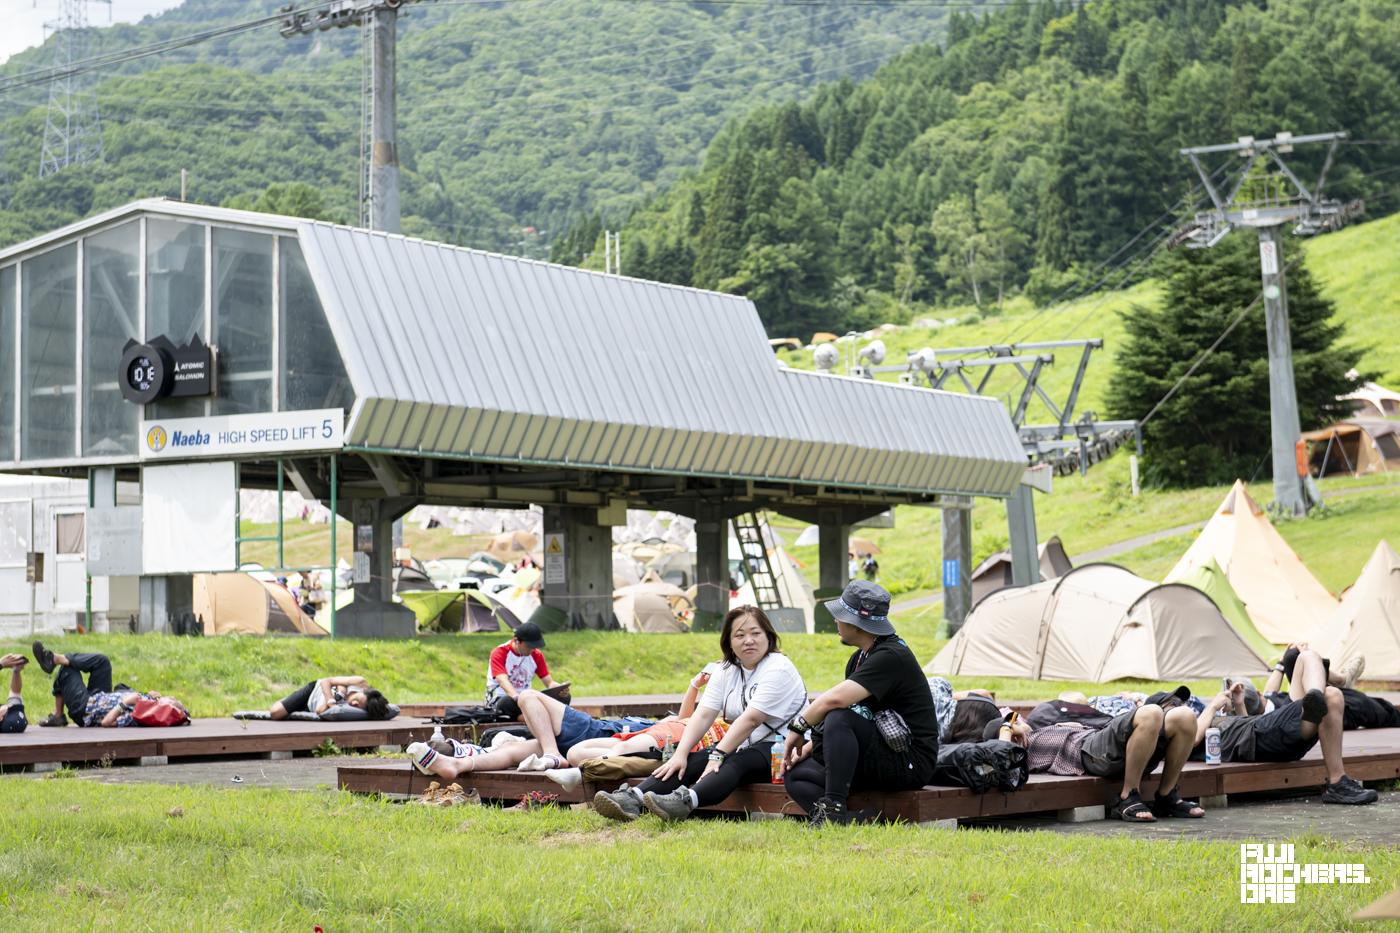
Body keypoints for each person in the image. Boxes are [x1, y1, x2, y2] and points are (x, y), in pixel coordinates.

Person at [593, 606, 807, 823]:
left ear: (768, 637)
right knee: (694, 759)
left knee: (735, 761)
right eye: (739, 635)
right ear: (729, 642)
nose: (748, 640)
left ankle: (685, 802)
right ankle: (633, 798)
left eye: (755, 633)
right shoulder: (725, 670)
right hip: (745, 743)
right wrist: (681, 753)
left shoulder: (779, 668)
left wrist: (718, 755)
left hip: (784, 747)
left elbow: (751, 720)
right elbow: (703, 714)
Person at [781, 580, 940, 827]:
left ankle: (833, 810)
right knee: (797, 776)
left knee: (837, 716)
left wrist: (797, 728)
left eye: (840, 616)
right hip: (881, 752)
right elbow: (857, 714)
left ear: (856, 623)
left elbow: (836, 702)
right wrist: (809, 748)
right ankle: (852, 820)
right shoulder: (859, 659)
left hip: (909, 760)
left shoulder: (891, 656)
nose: (836, 621)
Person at [989, 699, 1204, 822]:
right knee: (1151, 712)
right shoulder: (1022, 748)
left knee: (1184, 716)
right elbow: (1002, 762)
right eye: (1012, 722)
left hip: (1106, 744)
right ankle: (1128, 797)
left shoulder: (1042, 728)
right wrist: (1008, 729)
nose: (1018, 721)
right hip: (1087, 752)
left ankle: (1166, 796)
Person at [1193, 667, 1376, 805]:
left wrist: (1239, 704)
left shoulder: (1202, 720)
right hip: (1260, 733)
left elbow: (1239, 729)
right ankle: (1337, 682)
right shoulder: (1185, 726)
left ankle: (1318, 693)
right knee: (1330, 693)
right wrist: (1212, 707)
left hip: (1258, 730)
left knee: (1326, 687)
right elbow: (1193, 740)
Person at [31, 641, 186, 729]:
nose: (168, 698)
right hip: (102, 696)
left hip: (87, 709)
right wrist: (145, 695)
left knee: (68, 670)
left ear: (164, 710)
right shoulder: (150, 702)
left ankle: (58, 714)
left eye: (170, 701)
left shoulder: (140, 716)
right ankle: (56, 659)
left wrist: (125, 703)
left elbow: (107, 722)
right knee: (102, 661)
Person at [485, 622, 560, 718]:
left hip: (526, 701)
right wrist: (516, 697)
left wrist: (558, 689)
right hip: (503, 698)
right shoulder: (499, 653)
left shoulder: (536, 655)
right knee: (506, 703)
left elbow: (549, 682)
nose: (532, 649)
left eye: (534, 646)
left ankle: (528, 717)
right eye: (529, 646)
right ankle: (533, 717)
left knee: (563, 698)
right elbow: (503, 681)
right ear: (517, 641)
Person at [268, 675, 391, 720]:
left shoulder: (348, 711)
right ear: (365, 691)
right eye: (357, 699)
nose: (353, 703)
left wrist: (336, 698)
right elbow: (326, 681)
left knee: (281, 714)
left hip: (311, 707)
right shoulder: (359, 682)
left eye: (358, 706)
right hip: (313, 692)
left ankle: (290, 703)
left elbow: (320, 711)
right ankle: (287, 699)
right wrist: (333, 697)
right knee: (275, 713)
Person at [1, 653, 28, 734]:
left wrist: (2, 664)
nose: (8, 706)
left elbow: (15, 694)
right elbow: (15, 694)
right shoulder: (14, 720)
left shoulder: (12, 720)